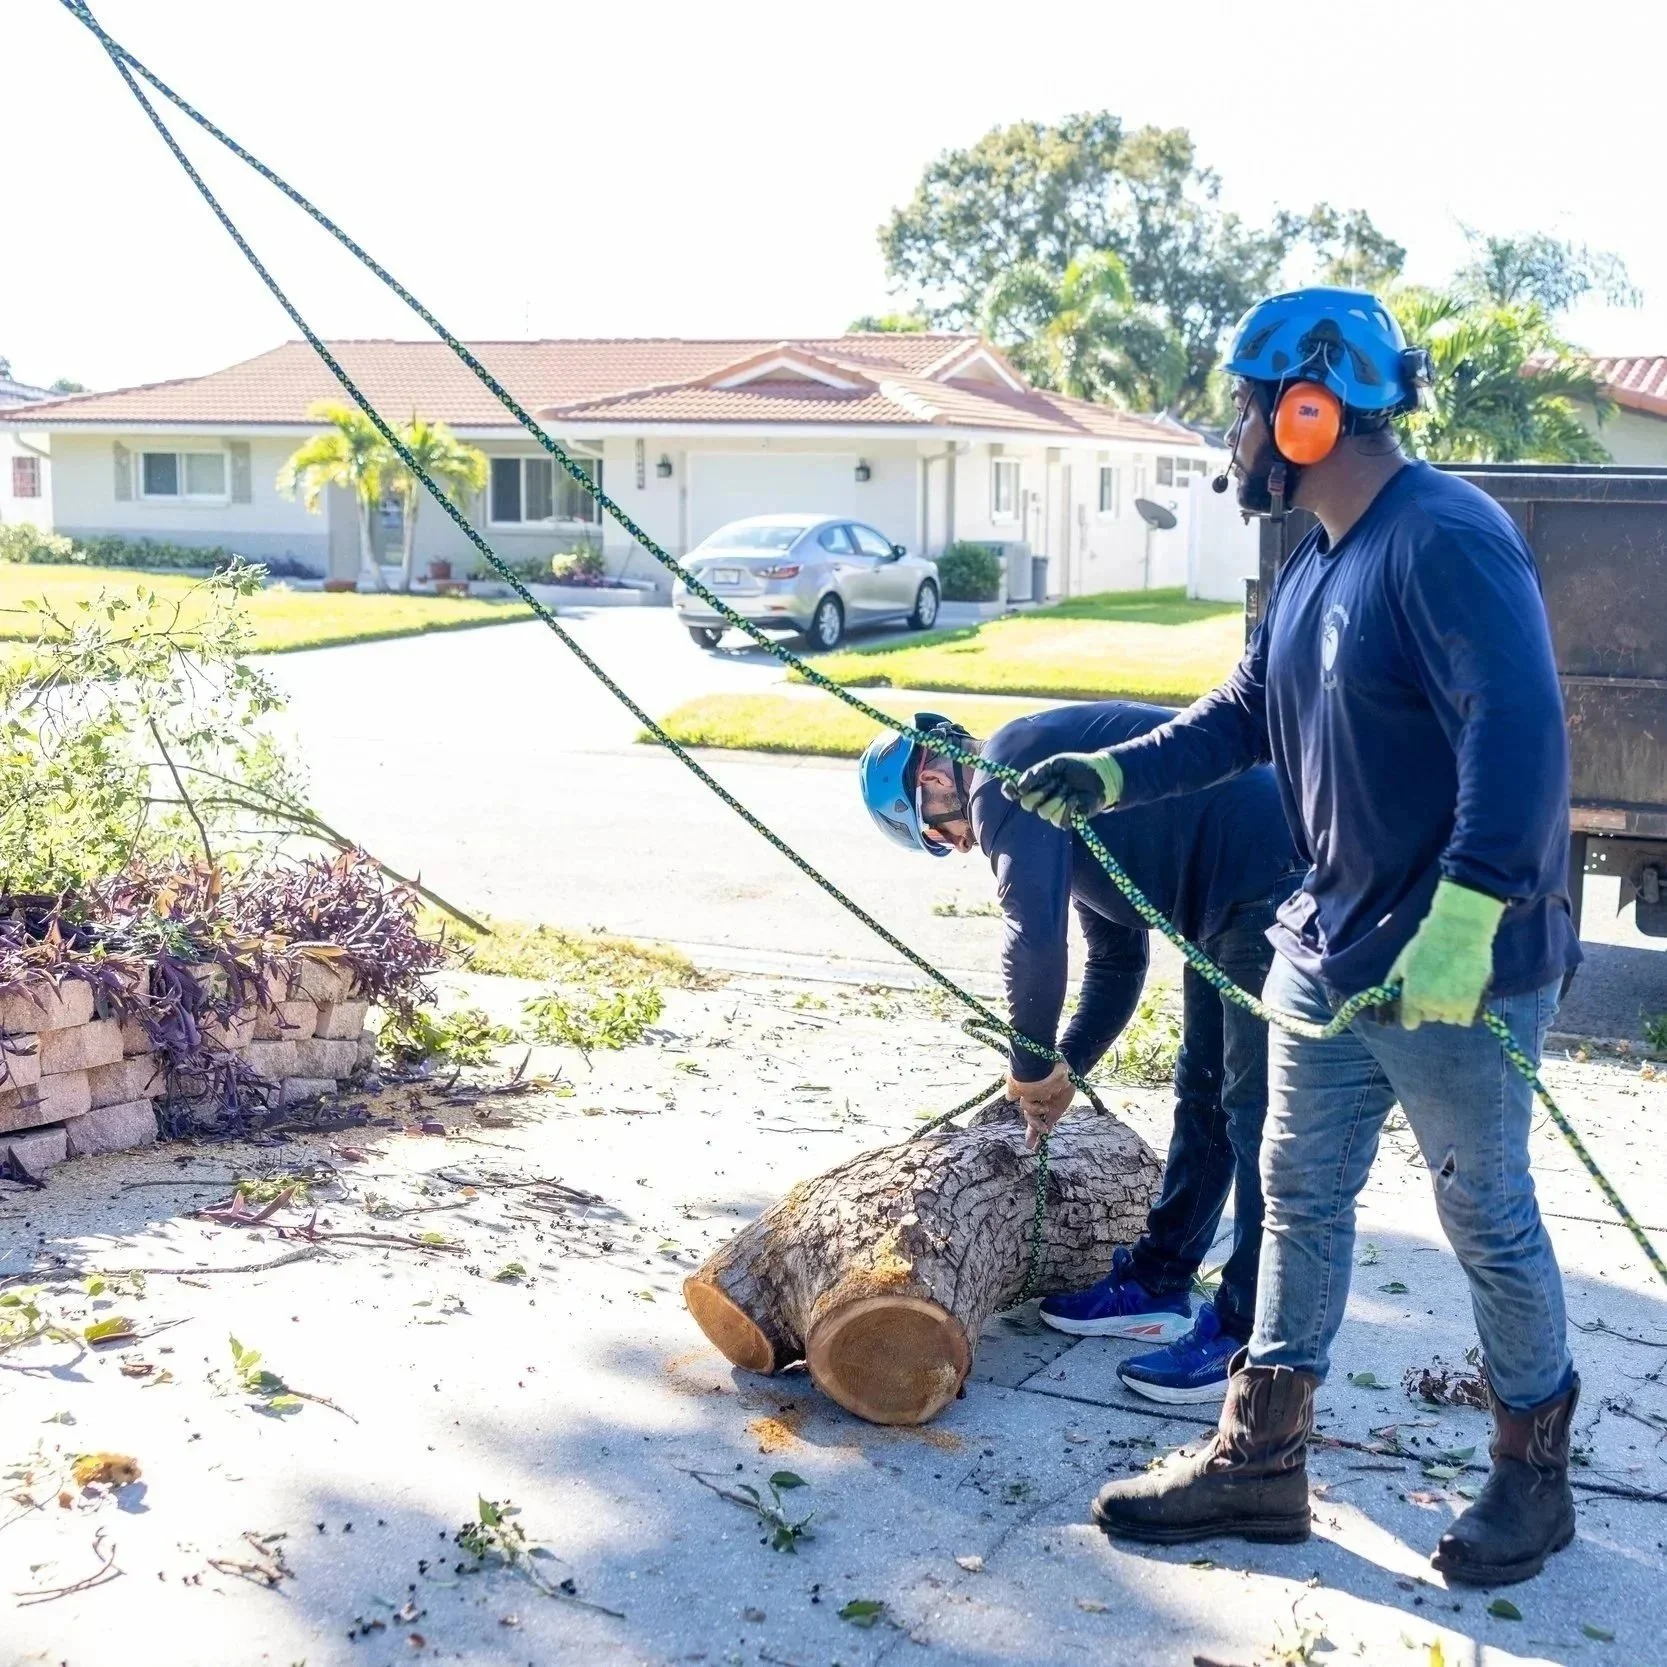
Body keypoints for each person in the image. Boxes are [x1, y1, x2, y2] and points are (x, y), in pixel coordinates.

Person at [1012, 287, 1582, 1587]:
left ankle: (1529, 1475)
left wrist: (1461, 916)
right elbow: (1239, 713)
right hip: (1323, 947)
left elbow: (1518, 729)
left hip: (1455, 958)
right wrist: (1107, 777)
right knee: (1296, 1200)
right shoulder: (1314, 561)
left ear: (1309, 408)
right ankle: (1257, 1463)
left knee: (1482, 1211)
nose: (1233, 437)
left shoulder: (1444, 536)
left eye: (1243, 408)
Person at [859, 701, 1303, 1401]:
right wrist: (1063, 1069)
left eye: (941, 836)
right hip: (1224, 898)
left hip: (1267, 876)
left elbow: (1033, 939)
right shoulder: (1052, 794)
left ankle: (1247, 1335)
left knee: (1251, 1110)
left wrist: (1029, 1067)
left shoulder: (1005, 778)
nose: (962, 847)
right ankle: (1158, 1280)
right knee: (1204, 1086)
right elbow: (1115, 964)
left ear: (934, 784)